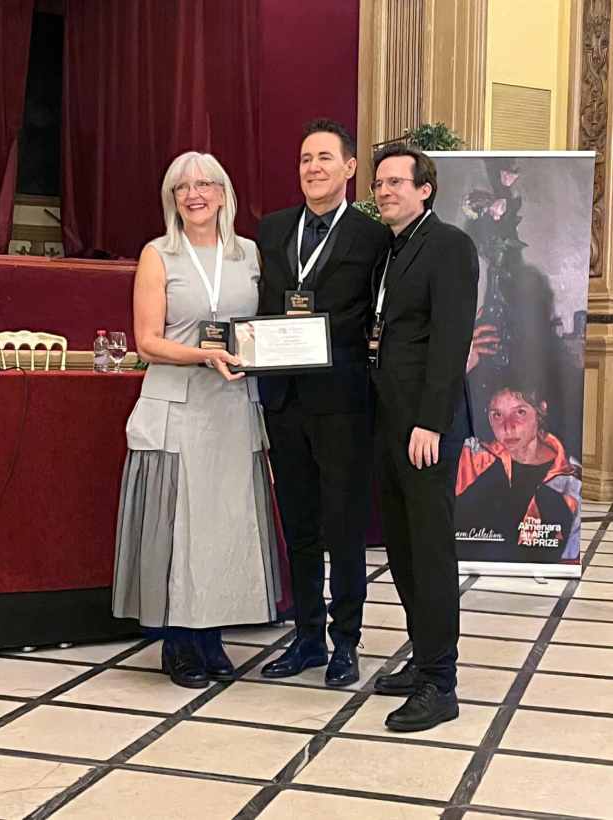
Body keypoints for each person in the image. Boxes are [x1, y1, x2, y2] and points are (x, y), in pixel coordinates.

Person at [113, 151, 283, 688]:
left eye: (205, 184)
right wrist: (203, 355)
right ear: (172, 198)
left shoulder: (249, 253)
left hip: (234, 407)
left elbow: (265, 325)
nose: (194, 194)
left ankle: (211, 636)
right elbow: (147, 341)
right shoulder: (157, 254)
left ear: (223, 193)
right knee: (180, 527)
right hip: (177, 408)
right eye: (182, 187)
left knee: (225, 525)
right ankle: (179, 642)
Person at [256, 119, 388, 687]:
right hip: (284, 399)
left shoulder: (373, 237)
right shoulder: (271, 229)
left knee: (344, 527)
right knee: (300, 525)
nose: (313, 167)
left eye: (325, 158)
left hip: (342, 403)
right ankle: (307, 637)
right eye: (306, 158)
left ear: (350, 168)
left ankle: (346, 642)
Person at [369, 144, 478, 730]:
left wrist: (431, 422)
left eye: (396, 182)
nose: (384, 191)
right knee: (403, 548)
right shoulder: (391, 249)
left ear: (424, 189)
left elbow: (451, 341)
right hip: (390, 421)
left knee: (430, 551)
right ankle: (423, 656)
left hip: (425, 428)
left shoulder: (449, 245)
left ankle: (441, 683)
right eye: (379, 183)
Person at [455, 379, 581, 561]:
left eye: (520, 412)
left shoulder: (571, 482)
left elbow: (569, 560)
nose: (508, 427)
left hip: (534, 577)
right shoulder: (473, 457)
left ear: (541, 410)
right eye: (497, 415)